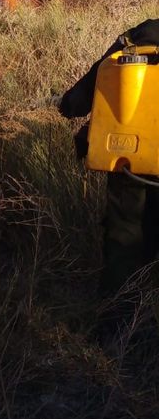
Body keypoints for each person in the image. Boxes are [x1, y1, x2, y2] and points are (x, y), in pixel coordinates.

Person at [58, 18, 159, 298]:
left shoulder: (142, 35)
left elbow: (80, 98)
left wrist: (67, 104)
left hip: (130, 159)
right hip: (132, 161)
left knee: (124, 237)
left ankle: (118, 321)